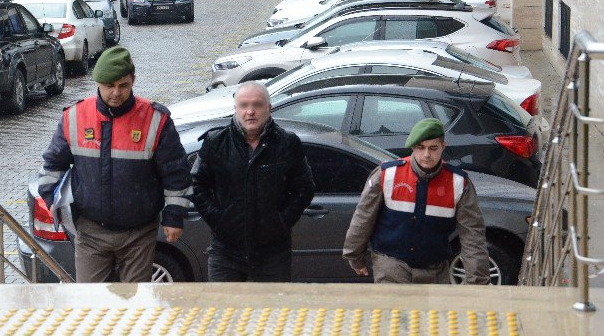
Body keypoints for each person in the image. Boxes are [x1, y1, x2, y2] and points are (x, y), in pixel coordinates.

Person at [38, 46, 192, 283]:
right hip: (90, 231)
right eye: (109, 86)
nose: (116, 93)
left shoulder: (155, 119)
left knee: (134, 304)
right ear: (97, 82)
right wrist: (50, 199)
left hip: (138, 233)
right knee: (92, 304)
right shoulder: (74, 117)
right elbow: (52, 164)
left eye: (124, 85)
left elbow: (176, 171)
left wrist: (174, 216)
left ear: (133, 81)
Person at [191, 81, 315, 282]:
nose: (250, 112)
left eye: (257, 105)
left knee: (271, 312)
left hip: (273, 254)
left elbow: (304, 188)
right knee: (224, 311)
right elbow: (196, 186)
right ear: (235, 109)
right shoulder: (215, 142)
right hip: (225, 252)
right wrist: (219, 219)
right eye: (244, 105)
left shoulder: (287, 143)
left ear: (269, 108)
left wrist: (281, 221)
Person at [342, 118, 490, 284]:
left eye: (433, 148)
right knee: (396, 311)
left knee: (433, 311)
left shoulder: (459, 182)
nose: (426, 154)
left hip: (435, 270)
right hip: (390, 264)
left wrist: (478, 283)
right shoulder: (387, 174)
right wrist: (354, 255)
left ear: (443, 147)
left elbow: (472, 235)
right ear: (412, 147)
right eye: (420, 148)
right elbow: (363, 217)